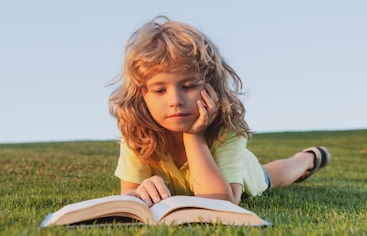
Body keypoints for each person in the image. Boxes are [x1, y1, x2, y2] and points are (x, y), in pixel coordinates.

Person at [108, 16, 330, 206]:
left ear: (211, 85)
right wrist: (140, 191)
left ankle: (307, 159)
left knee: (272, 175)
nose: (175, 101)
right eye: (159, 90)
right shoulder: (137, 134)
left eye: (188, 86)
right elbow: (128, 194)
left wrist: (194, 135)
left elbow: (221, 203)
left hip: (244, 171)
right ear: (141, 96)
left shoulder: (227, 132)